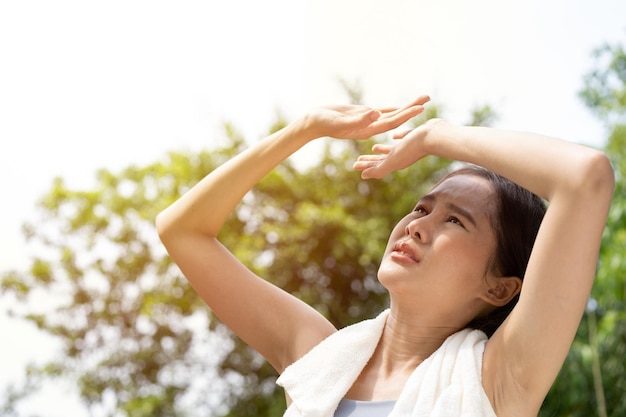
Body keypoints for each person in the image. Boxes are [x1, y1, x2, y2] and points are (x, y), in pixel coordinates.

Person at [155, 96, 614, 417]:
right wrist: (304, 130)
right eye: (422, 208)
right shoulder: (319, 357)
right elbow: (182, 230)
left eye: (455, 221)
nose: (417, 224)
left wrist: (436, 135)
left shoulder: (499, 378)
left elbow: (585, 176)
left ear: (498, 286)